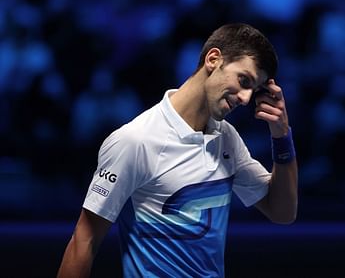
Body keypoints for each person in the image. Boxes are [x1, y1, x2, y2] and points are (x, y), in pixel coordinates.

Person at [57, 23, 298, 277]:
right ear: (213, 59)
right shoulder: (135, 140)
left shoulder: (227, 138)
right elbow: (84, 241)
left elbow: (282, 212)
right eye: (244, 80)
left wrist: (281, 135)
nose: (246, 98)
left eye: (254, 89)